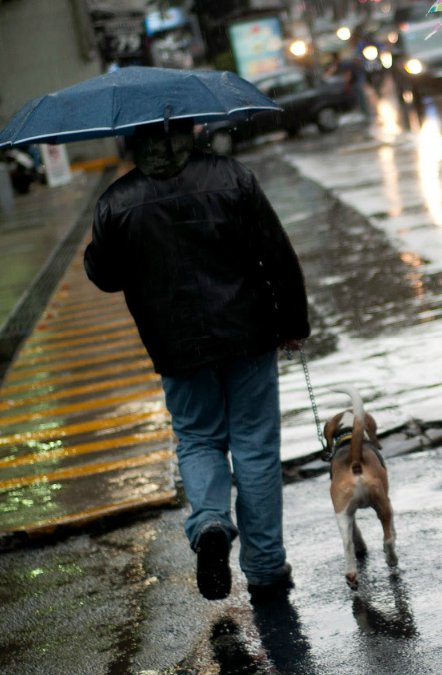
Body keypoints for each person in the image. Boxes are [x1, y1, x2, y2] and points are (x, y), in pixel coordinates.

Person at [84, 119, 310, 603]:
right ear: (190, 129)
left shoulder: (117, 202)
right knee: (254, 445)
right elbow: (277, 252)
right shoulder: (233, 177)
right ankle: (267, 568)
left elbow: (103, 275)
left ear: (134, 139)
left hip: (176, 346)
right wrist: (292, 321)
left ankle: (209, 521)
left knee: (199, 438)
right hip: (248, 333)